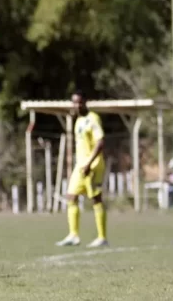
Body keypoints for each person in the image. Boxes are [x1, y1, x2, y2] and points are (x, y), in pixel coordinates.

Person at [56, 90, 108, 248]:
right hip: (80, 166)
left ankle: (102, 237)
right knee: (71, 197)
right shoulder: (78, 121)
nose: (77, 105)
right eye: (74, 102)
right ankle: (74, 235)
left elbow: (100, 142)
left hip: (92, 165)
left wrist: (89, 163)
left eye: (79, 102)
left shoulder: (93, 119)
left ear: (85, 101)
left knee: (95, 200)